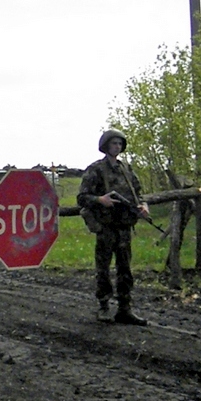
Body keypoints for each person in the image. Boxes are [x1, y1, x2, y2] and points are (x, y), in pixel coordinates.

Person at [77, 129, 149, 326]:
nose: (117, 147)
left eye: (119, 144)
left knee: (125, 269)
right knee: (103, 268)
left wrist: (143, 206)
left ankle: (125, 309)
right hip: (105, 226)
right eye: (113, 143)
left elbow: (138, 194)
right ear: (106, 146)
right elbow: (82, 198)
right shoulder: (96, 169)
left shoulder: (126, 170)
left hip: (124, 227)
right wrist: (100, 199)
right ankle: (104, 306)